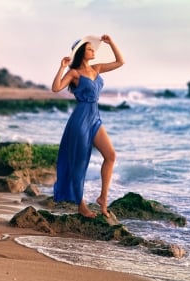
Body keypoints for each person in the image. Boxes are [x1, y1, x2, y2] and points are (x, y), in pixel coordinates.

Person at [51, 34, 124, 218]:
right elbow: (56, 88)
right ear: (82, 52)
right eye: (90, 48)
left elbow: (120, 62)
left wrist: (111, 43)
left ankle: (103, 200)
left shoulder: (97, 68)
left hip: (95, 117)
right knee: (79, 162)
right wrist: (61, 67)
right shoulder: (74, 73)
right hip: (80, 120)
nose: (93, 51)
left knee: (111, 155)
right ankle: (81, 204)